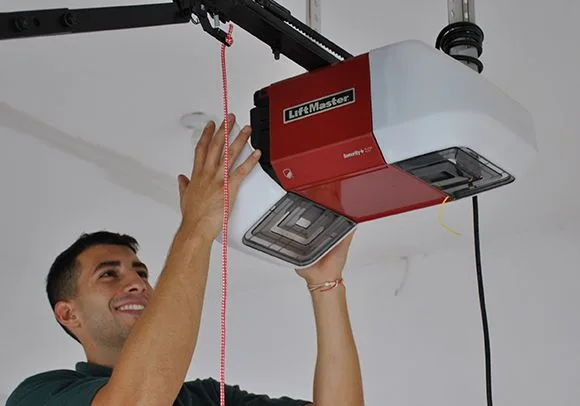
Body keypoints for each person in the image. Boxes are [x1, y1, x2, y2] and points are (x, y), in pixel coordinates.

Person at [6, 114, 365, 406]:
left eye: (141, 271)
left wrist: (326, 283)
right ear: (68, 314)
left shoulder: (206, 398)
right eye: (108, 274)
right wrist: (196, 227)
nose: (138, 283)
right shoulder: (40, 395)